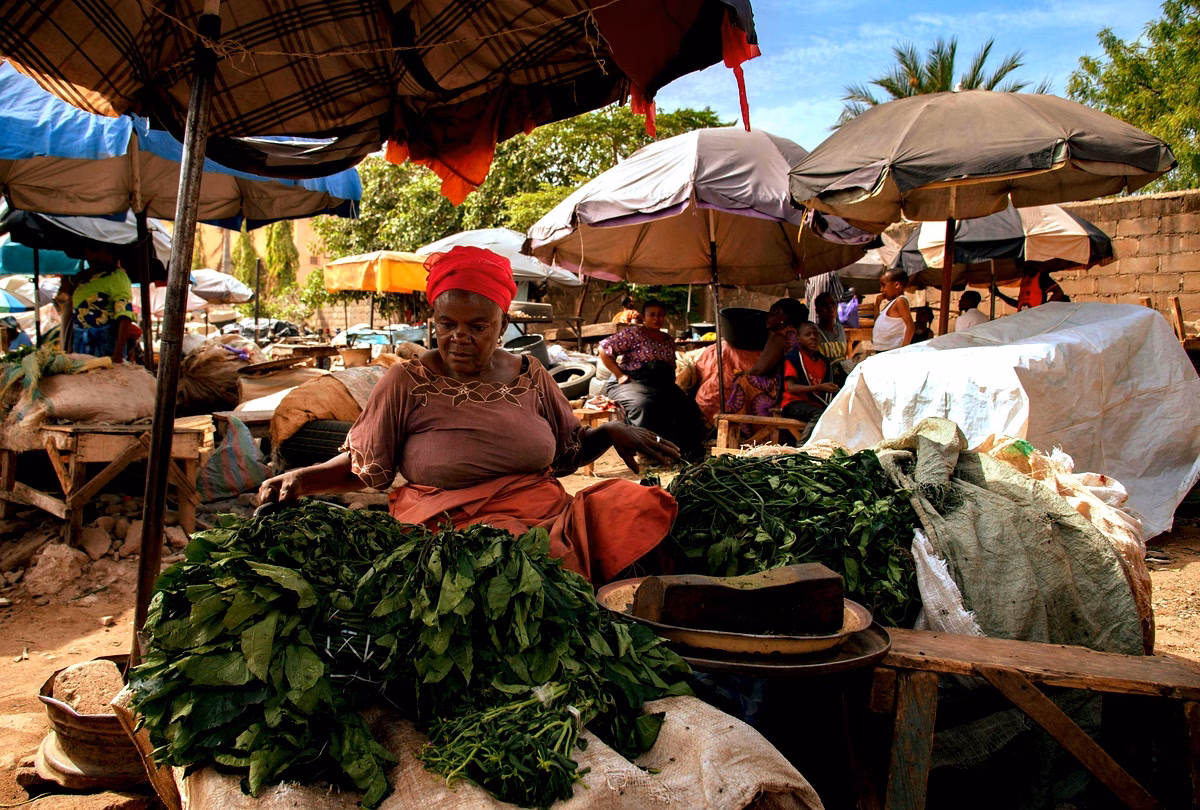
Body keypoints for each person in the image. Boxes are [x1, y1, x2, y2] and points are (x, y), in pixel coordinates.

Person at [259, 247, 680, 585]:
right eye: (447, 324)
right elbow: (366, 468)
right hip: (452, 531)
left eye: (478, 326)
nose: (459, 338)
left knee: (639, 505)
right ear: (434, 321)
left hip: (548, 515)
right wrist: (302, 478)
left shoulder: (531, 376)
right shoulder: (406, 381)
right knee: (511, 561)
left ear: (503, 323)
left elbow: (566, 456)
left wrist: (609, 430)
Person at [599, 299, 705, 460]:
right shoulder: (633, 334)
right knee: (643, 405)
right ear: (644, 317)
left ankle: (682, 452)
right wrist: (620, 375)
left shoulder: (668, 340)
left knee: (687, 407)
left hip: (660, 385)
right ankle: (647, 453)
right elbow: (604, 349)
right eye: (652, 315)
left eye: (660, 315)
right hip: (631, 383)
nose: (657, 318)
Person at [725, 298, 808, 419]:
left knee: (743, 382)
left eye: (774, 312)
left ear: (783, 318)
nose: (767, 316)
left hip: (783, 390)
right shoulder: (796, 334)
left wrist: (743, 374)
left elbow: (759, 370)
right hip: (799, 386)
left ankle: (745, 427)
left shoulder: (780, 338)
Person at [70, 245, 134, 362]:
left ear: (111, 252)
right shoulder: (84, 278)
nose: (92, 256)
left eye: (95, 250)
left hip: (105, 349)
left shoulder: (117, 278)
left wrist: (117, 356)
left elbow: (125, 318)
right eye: (89, 251)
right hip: (81, 348)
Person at [781, 322, 838, 440]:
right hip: (793, 403)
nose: (813, 337)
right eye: (807, 335)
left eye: (816, 334)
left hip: (814, 403)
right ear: (798, 338)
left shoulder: (823, 361)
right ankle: (803, 447)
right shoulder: (793, 358)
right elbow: (792, 387)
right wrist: (819, 387)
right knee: (819, 415)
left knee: (837, 414)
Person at [991, 263, 1068, 311]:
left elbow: (1058, 292)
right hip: (1024, 322)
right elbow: (1019, 304)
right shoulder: (1024, 279)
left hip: (1036, 321)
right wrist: (999, 294)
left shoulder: (1040, 277)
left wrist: (1043, 309)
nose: (1020, 268)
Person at [872, 269, 914, 351]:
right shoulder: (891, 303)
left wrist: (903, 350)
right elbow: (877, 322)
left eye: (884, 285)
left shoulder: (900, 301)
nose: (881, 290)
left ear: (897, 285)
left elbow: (910, 326)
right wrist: (877, 305)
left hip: (892, 350)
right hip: (883, 350)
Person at [813, 292, 847, 361]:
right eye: (825, 305)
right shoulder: (814, 332)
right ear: (817, 310)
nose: (830, 307)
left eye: (833, 303)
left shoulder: (840, 329)